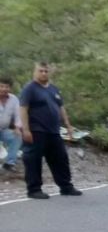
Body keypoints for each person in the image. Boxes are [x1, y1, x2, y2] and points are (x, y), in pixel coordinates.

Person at [19, 62, 82, 199]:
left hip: (53, 131)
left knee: (60, 158)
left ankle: (66, 187)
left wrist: (68, 125)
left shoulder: (54, 89)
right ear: (35, 72)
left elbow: (61, 108)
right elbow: (23, 108)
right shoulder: (29, 89)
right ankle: (34, 189)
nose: (43, 73)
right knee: (33, 160)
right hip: (36, 130)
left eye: (46, 71)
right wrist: (26, 129)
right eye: (40, 71)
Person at [0, 76, 22, 172]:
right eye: (1, 86)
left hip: (4, 129)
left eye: (7, 87)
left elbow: (18, 114)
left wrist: (17, 127)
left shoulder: (14, 99)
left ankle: (9, 163)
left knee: (16, 136)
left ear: (10, 88)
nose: (4, 89)